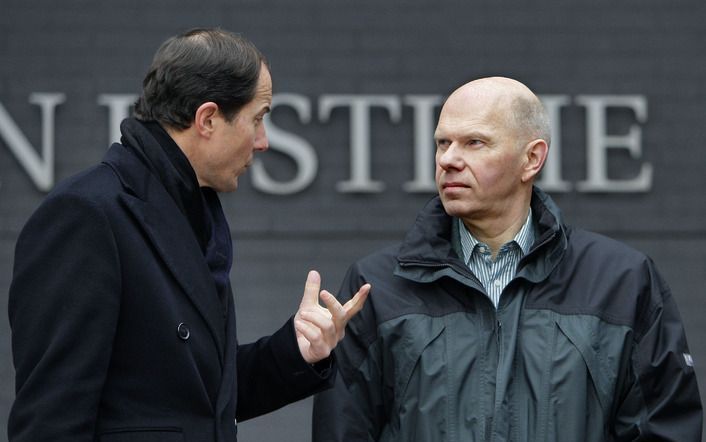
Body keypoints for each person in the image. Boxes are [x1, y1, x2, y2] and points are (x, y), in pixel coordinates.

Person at [7, 28, 370, 442]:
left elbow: (198, 401)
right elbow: (51, 421)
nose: (264, 141)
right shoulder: (86, 215)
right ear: (208, 119)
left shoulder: (190, 213)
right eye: (258, 118)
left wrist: (299, 349)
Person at [312, 77, 702, 441]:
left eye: (474, 143)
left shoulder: (622, 281)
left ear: (532, 159)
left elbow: (664, 428)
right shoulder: (376, 286)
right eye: (442, 143)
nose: (448, 159)